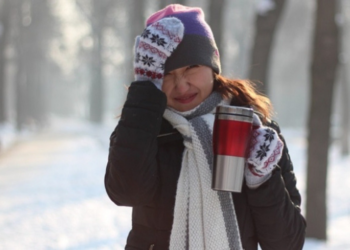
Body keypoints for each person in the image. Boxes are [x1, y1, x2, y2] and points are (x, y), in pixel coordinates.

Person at [104, 4, 306, 250]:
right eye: (167, 73)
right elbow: (126, 193)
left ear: (212, 65)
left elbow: (287, 244)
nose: (181, 85)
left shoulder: (258, 132)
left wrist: (262, 179)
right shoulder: (144, 129)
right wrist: (144, 91)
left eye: (191, 67)